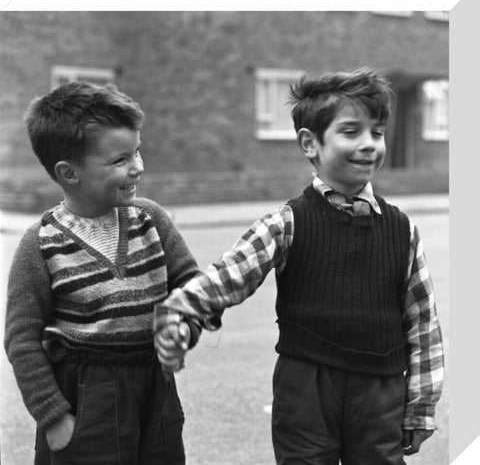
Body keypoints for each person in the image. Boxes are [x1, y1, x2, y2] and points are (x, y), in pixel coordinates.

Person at [153, 67, 445, 465]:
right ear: (310, 143)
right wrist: (181, 310)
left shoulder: (402, 229)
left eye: (377, 132)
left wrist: (421, 404)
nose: (369, 144)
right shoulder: (288, 222)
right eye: (350, 131)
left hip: (381, 388)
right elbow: (229, 275)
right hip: (306, 387)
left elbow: (422, 321)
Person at [4, 82, 199, 465]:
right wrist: (54, 417)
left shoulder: (152, 220)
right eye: (119, 160)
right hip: (85, 396)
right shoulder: (40, 244)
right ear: (69, 173)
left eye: (137, 152)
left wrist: (183, 325)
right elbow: (22, 340)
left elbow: (192, 285)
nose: (138, 167)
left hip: (155, 390)